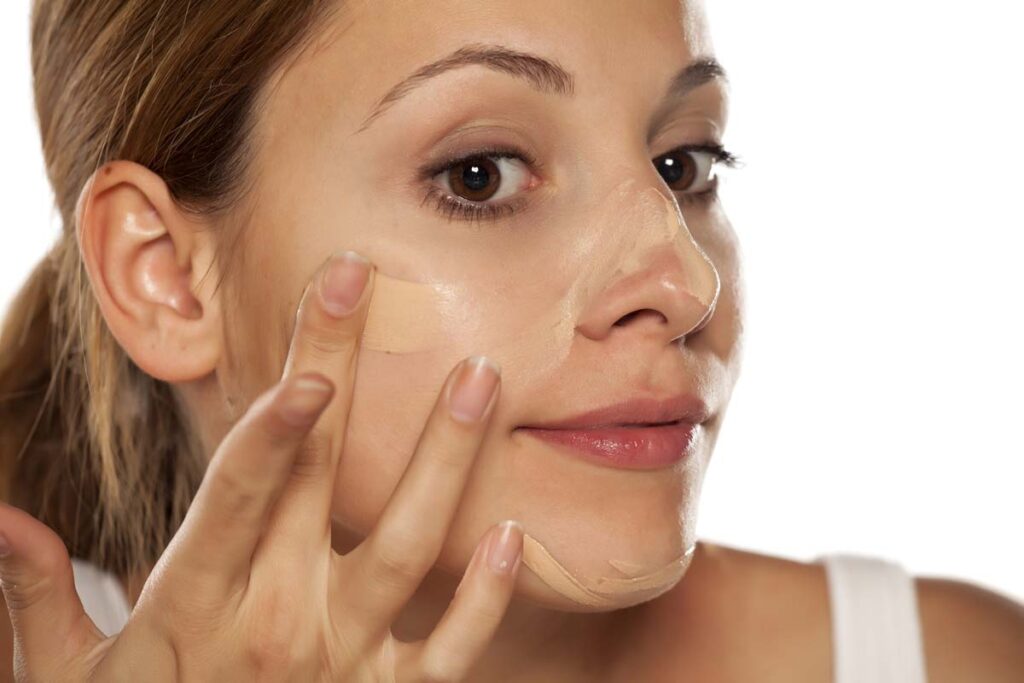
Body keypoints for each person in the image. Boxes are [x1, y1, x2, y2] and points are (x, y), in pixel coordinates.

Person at [1, 0, 1022, 680]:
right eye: (480, 174)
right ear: (169, 278)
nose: (681, 281)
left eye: (683, 164)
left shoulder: (941, 658)